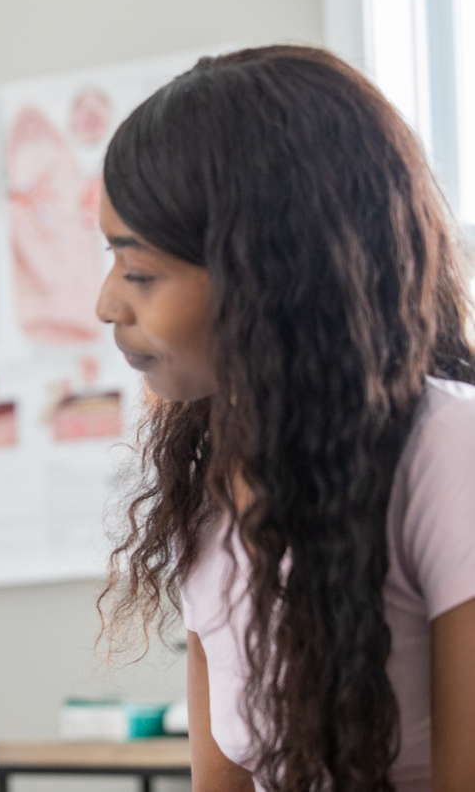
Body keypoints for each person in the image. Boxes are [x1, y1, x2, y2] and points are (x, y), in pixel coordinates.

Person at [96, 46, 475, 791]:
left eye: (139, 272)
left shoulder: (449, 449)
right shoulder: (207, 491)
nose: (108, 304)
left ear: (268, 274)